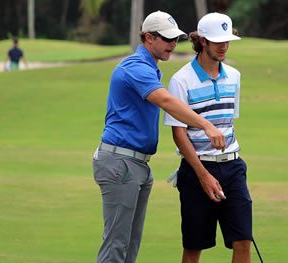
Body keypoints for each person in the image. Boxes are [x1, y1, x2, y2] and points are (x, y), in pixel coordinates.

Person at [92, 10, 226, 263]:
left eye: (175, 38)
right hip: (121, 163)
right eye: (166, 39)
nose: (173, 44)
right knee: (116, 245)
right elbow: (165, 100)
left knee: (130, 244)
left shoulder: (150, 68)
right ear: (148, 38)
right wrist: (206, 125)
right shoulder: (136, 67)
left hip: (137, 164)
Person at [163, 13, 253, 263]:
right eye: (217, 41)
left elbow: (228, 122)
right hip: (196, 169)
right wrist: (203, 174)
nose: (223, 47)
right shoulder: (181, 80)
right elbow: (179, 134)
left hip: (233, 166)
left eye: (227, 41)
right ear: (202, 41)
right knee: (194, 246)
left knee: (243, 240)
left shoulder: (234, 76)